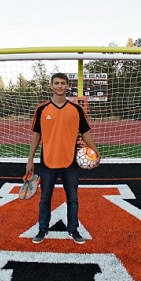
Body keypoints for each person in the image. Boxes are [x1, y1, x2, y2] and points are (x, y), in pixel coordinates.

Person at [26, 72, 100, 244]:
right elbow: (36, 135)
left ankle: (73, 229)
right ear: (51, 86)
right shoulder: (42, 109)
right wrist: (30, 159)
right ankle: (42, 229)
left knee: (72, 199)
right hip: (47, 162)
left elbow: (85, 133)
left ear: (68, 86)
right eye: (57, 83)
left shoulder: (76, 110)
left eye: (63, 83)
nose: (60, 86)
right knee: (45, 199)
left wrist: (95, 152)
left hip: (70, 162)